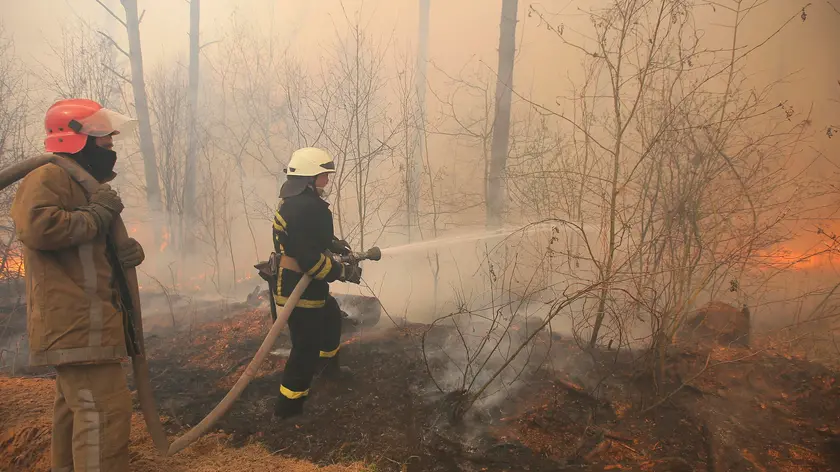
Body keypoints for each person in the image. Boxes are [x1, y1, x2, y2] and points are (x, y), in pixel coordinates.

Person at [10, 98, 145, 471]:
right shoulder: (48, 176)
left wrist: (122, 254)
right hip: (75, 325)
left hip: (87, 325)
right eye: (104, 139)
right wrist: (98, 214)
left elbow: (85, 254)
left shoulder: (80, 184)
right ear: (75, 138)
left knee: (79, 414)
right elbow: (38, 227)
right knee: (104, 412)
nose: (110, 147)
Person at [271, 147, 361, 420]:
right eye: (324, 174)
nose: (327, 180)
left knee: (331, 316)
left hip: (294, 282)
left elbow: (302, 239)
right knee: (304, 348)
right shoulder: (310, 208)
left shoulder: (295, 202)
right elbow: (311, 260)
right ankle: (288, 408)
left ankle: (327, 369)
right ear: (310, 178)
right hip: (300, 287)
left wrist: (332, 243)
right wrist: (342, 271)